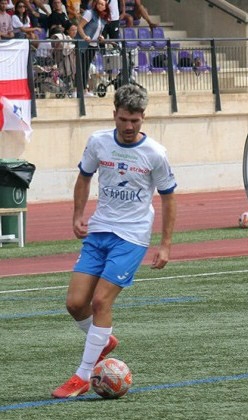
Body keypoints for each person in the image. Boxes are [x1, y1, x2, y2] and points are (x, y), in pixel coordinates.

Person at [51, 84, 177, 399]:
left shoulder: (155, 154)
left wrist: (165, 245)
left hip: (132, 236)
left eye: (136, 120)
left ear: (143, 117)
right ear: (114, 115)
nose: (130, 126)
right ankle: (103, 340)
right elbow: (83, 178)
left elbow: (168, 199)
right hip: (99, 230)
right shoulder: (98, 143)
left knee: (100, 302)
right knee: (75, 303)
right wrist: (78, 215)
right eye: (124, 119)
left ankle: (82, 376)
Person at [76, 0, 109, 97]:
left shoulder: (102, 18)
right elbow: (80, 27)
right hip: (84, 45)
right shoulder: (89, 13)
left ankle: (84, 90)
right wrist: (85, 36)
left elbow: (98, 30)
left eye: (102, 4)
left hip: (93, 46)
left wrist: (101, 37)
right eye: (99, 3)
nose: (100, 5)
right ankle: (79, 90)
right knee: (81, 67)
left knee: (86, 68)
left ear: (105, 7)